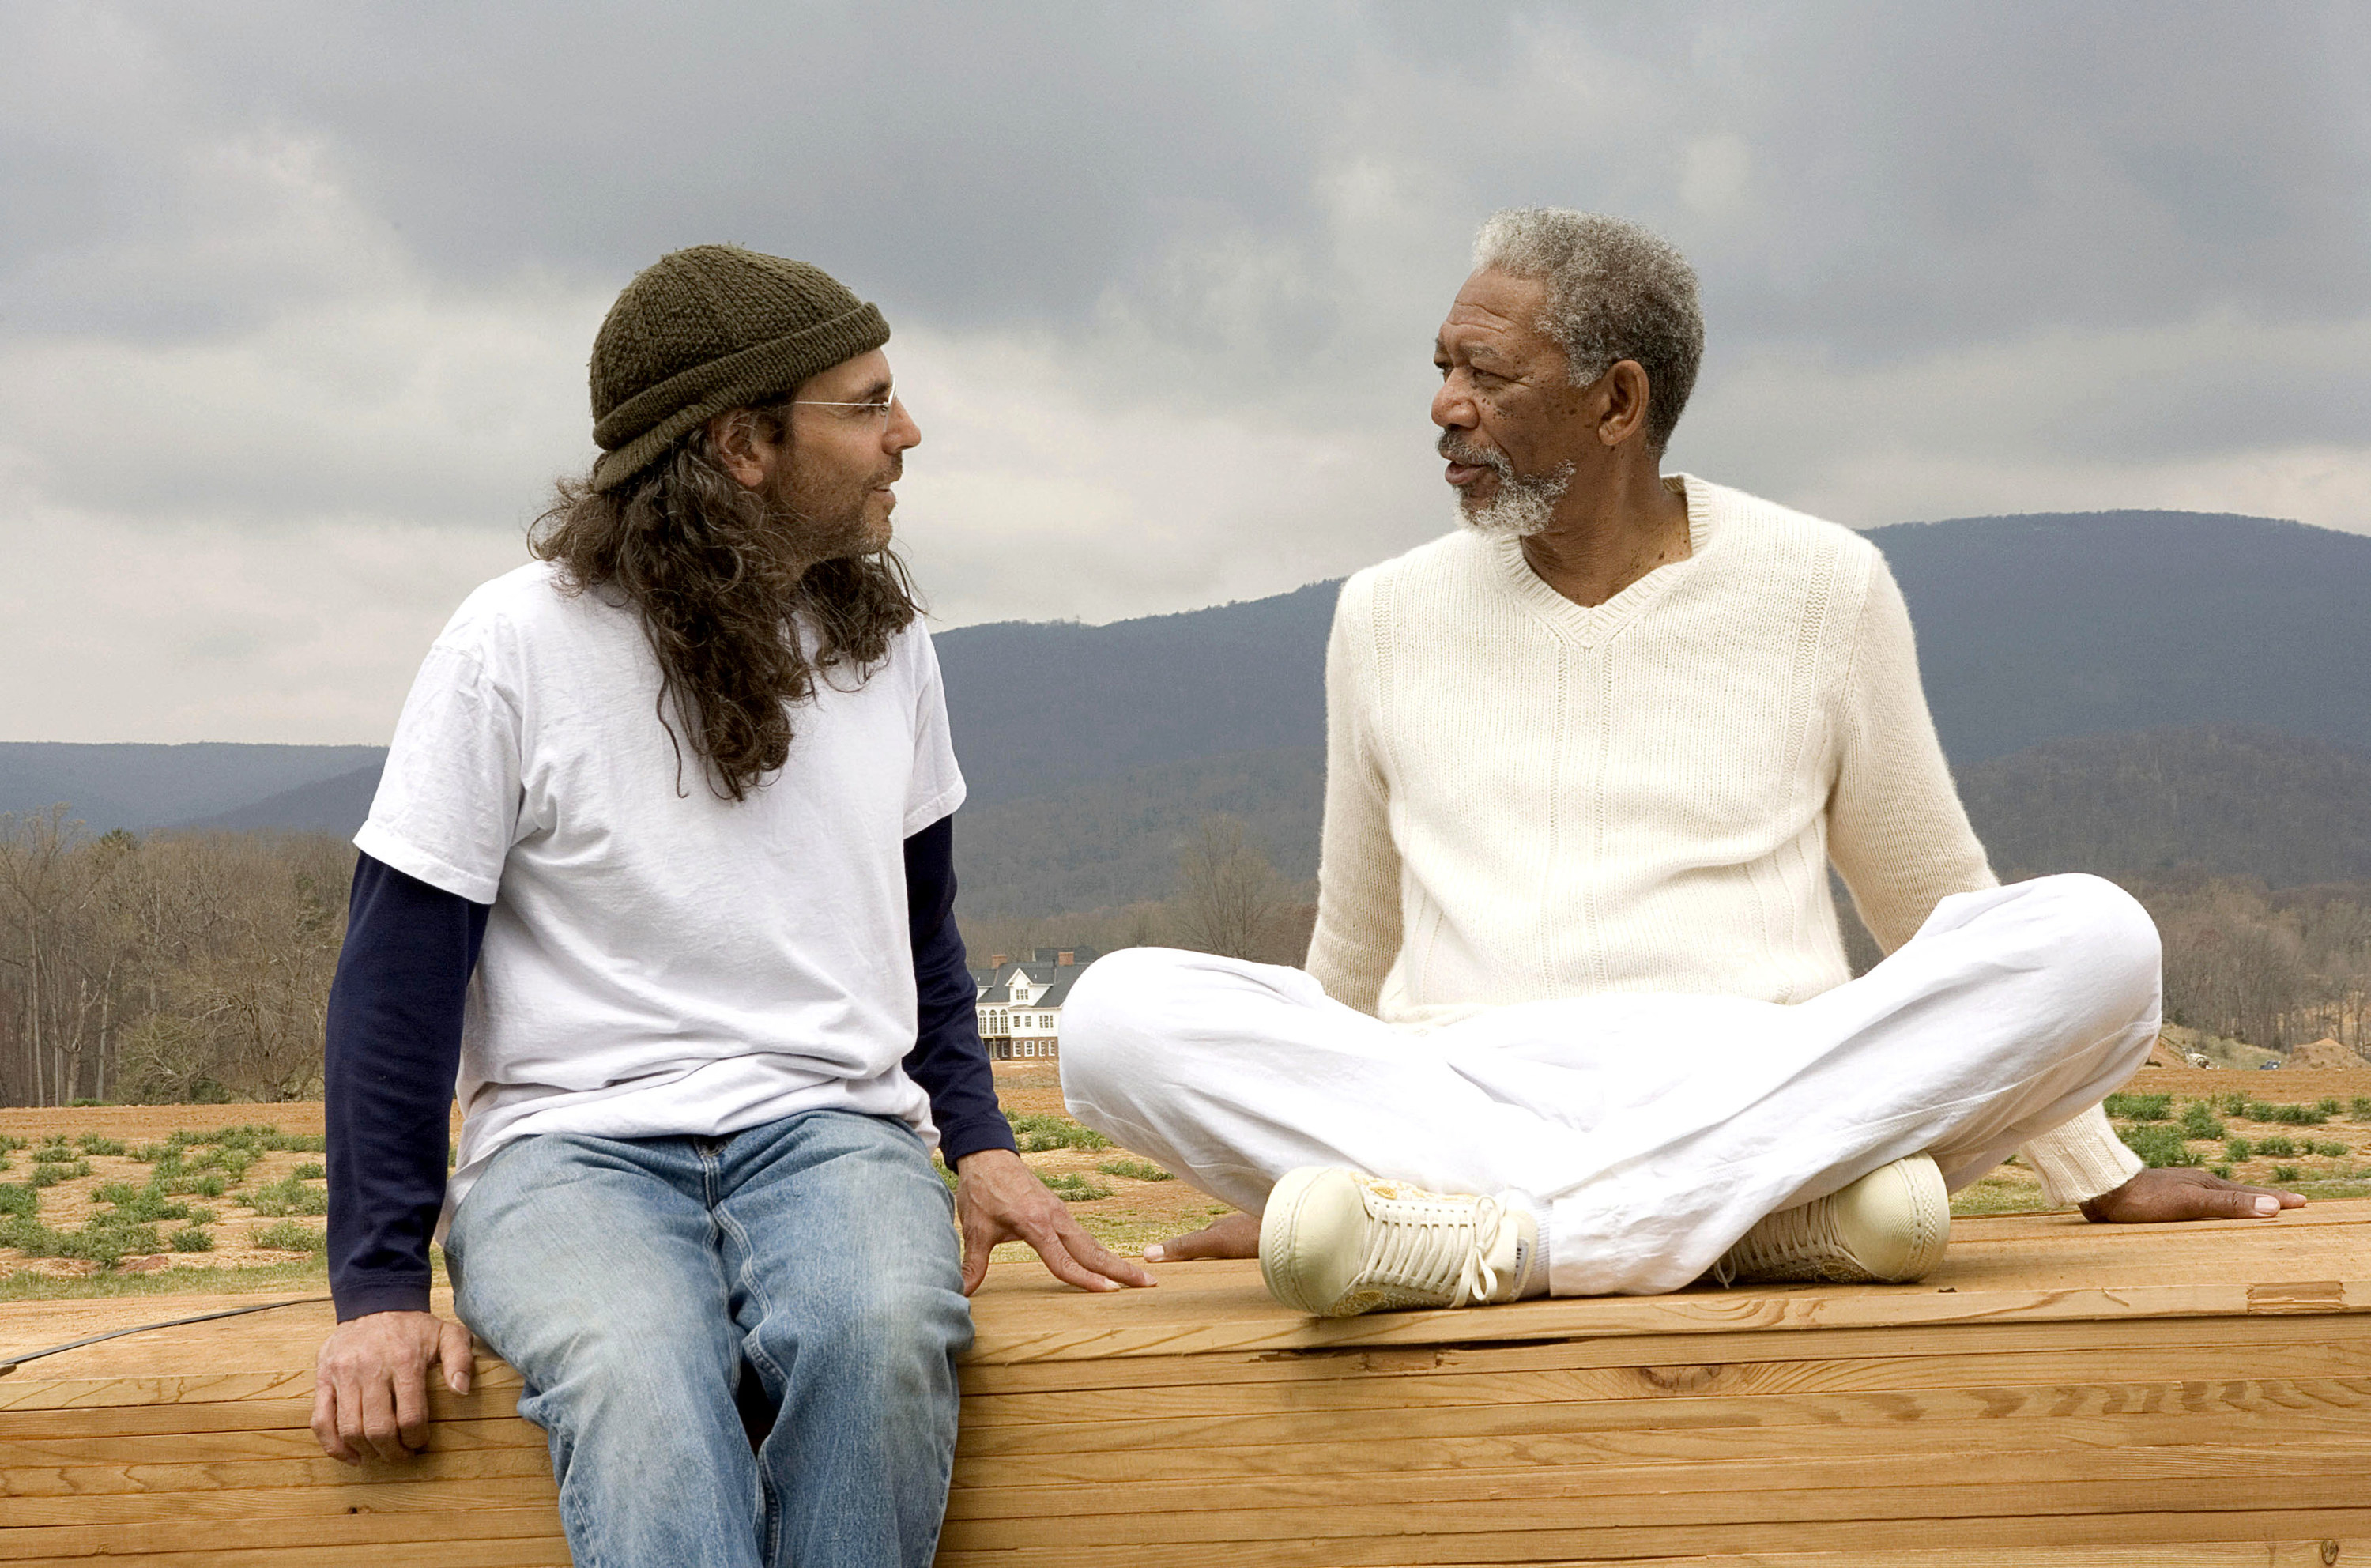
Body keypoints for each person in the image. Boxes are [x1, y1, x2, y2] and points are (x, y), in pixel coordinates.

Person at [1057, 208, 2303, 1318]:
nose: (1444, 405)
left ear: (1617, 403)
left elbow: (1935, 902)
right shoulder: (1382, 614)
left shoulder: (1824, 585)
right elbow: (1351, 957)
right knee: (1112, 1017)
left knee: (2100, 939)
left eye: (1485, 372)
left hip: (1759, 1083)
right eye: (1441, 367)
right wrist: (1282, 1147)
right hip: (1471, 1093)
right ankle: (1762, 1236)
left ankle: (1520, 1246)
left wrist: (2102, 1170)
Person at [307, 244, 1152, 1566]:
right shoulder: (510, 647)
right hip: (568, 1151)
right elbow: (397, 982)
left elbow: (920, 935)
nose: (906, 435)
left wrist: (980, 1145)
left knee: (880, 1338)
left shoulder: (892, 649)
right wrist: (374, 1290)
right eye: (866, 405)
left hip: (832, 1134)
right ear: (743, 444)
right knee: (641, 1376)